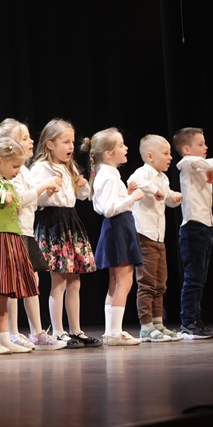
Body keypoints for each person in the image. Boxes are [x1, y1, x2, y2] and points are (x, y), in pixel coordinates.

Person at [0, 119, 66, 350]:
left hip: (26, 230)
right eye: (24, 138)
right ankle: (13, 332)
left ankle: (37, 332)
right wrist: (43, 186)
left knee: (32, 280)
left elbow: (31, 200)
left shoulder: (23, 170)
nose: (31, 141)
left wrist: (45, 192)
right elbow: (19, 200)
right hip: (14, 232)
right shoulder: (10, 172)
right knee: (13, 284)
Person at [30, 118, 101, 348]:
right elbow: (35, 197)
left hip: (71, 220)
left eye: (72, 141)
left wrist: (82, 184)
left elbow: (82, 196)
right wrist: (48, 190)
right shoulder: (41, 167)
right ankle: (59, 331)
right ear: (50, 144)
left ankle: (76, 330)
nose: (71, 146)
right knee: (58, 280)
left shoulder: (70, 166)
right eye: (65, 142)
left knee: (74, 280)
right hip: (53, 222)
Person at [0, 136, 40, 354]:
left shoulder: (10, 183)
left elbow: (18, 203)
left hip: (11, 239)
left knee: (5, 294)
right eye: (15, 166)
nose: (18, 171)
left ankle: (5, 337)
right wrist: (3, 194)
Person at [81, 127, 144, 346]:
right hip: (118, 227)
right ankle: (115, 332)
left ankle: (111, 331)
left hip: (117, 227)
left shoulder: (107, 174)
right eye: (121, 145)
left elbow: (109, 204)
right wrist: (133, 198)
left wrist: (126, 194)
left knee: (116, 282)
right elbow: (108, 209)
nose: (126, 148)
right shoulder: (107, 176)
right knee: (123, 282)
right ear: (108, 153)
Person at [172, 127, 213, 339]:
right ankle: (188, 322)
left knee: (200, 279)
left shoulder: (201, 166)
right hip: (193, 229)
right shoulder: (187, 163)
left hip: (206, 228)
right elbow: (198, 162)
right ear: (186, 149)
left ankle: (196, 320)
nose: (205, 147)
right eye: (200, 144)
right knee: (193, 279)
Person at [127, 135, 183, 342]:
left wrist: (174, 197)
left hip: (159, 237)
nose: (170, 157)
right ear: (150, 156)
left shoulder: (163, 178)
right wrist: (157, 190)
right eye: (166, 153)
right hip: (145, 235)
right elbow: (134, 182)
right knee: (147, 283)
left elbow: (167, 199)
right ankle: (146, 326)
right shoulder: (143, 173)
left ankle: (158, 323)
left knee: (160, 283)